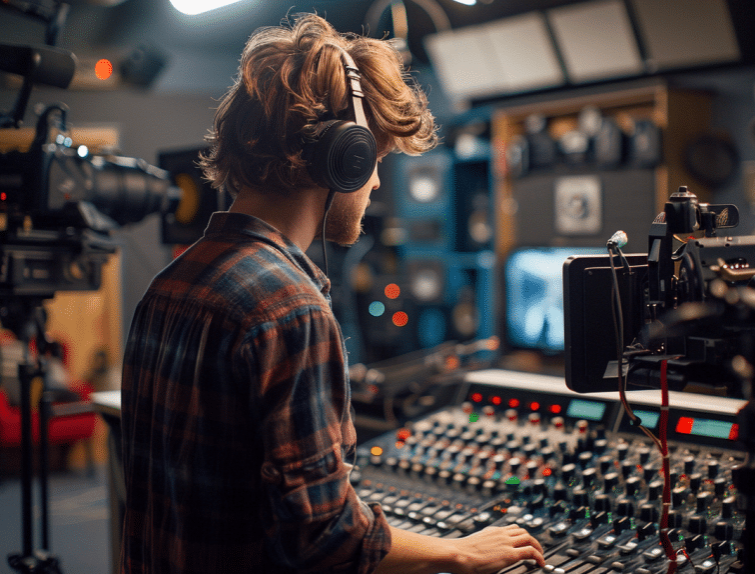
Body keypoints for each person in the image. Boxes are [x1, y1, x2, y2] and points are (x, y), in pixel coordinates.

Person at [120, 13, 545, 574]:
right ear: (343, 157)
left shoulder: (169, 285)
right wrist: (457, 549)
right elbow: (325, 539)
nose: (373, 184)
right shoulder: (288, 309)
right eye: (376, 160)